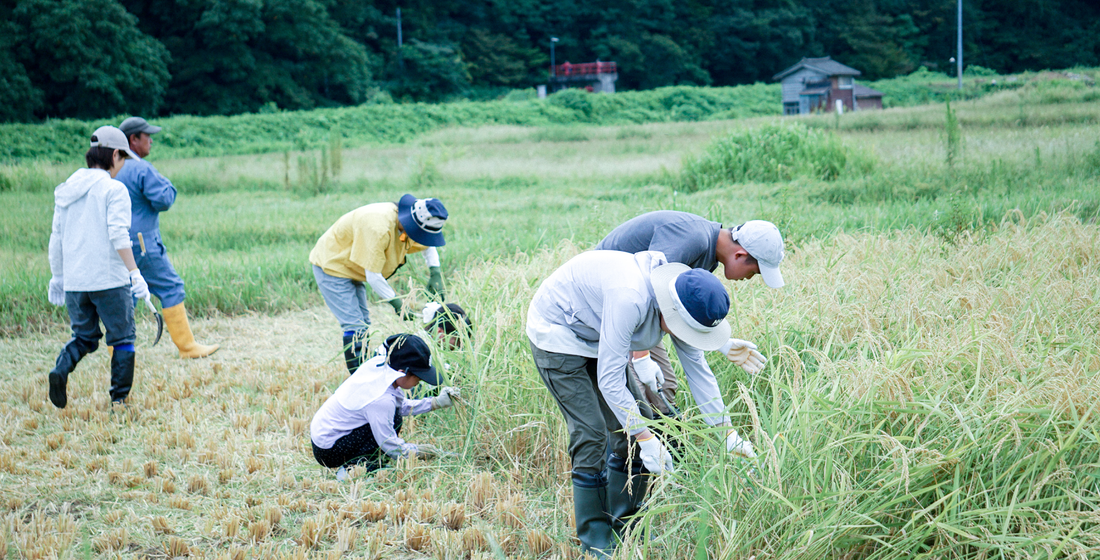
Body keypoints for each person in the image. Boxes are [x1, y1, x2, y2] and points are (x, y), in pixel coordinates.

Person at [526, 250, 759, 556]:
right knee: (593, 433)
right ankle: (597, 540)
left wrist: (728, 434)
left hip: (599, 332)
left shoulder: (680, 299)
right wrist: (646, 439)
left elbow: (699, 373)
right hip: (558, 331)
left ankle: (625, 523)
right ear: (671, 312)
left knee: (638, 420)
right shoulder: (630, 299)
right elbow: (610, 380)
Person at [595, 213, 784, 415]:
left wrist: (719, 342)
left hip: (640, 309)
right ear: (739, 255)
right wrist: (641, 357)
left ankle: (668, 439)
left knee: (663, 387)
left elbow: (677, 313)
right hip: (604, 303)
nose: (749, 278)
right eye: (754, 272)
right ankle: (628, 444)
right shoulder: (693, 239)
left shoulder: (708, 255)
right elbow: (650, 292)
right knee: (635, 393)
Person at [47, 126, 149, 408]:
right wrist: (135, 273)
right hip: (109, 282)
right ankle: (119, 400)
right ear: (115, 154)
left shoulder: (66, 190)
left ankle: (61, 369)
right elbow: (118, 235)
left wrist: (58, 277)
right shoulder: (114, 189)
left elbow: (56, 238)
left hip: (75, 283)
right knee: (123, 337)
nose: (122, 166)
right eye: (123, 159)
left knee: (84, 337)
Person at [309, 194, 448, 374]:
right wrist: (398, 303)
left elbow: (427, 243)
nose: (420, 238)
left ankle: (366, 370)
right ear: (411, 224)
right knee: (355, 325)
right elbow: (373, 276)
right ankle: (358, 379)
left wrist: (435, 272)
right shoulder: (377, 228)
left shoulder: (406, 224)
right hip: (332, 265)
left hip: (354, 268)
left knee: (364, 323)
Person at [117, 116, 218, 358]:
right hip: (143, 243)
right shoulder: (141, 168)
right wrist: (169, 185)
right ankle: (187, 347)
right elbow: (163, 200)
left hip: (117, 244)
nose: (151, 140)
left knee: (123, 297)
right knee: (170, 286)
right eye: (147, 136)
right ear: (134, 140)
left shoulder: (111, 168)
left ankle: (117, 353)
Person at [309, 334, 461, 478]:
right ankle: (352, 470)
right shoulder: (381, 399)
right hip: (329, 450)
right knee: (394, 420)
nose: (420, 381)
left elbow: (401, 406)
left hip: (327, 437)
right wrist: (418, 452)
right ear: (402, 373)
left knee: (394, 415)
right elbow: (389, 444)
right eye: (418, 377)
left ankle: (363, 464)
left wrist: (436, 402)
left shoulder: (381, 365)